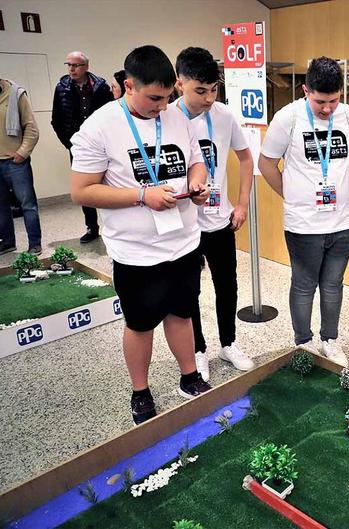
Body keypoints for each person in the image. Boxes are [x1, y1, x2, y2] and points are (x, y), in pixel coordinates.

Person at [70, 45, 211, 425]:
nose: (162, 106)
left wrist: (198, 183)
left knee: (182, 313)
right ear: (128, 85)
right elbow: (82, 190)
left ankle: (189, 375)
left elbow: (196, 161)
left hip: (182, 241)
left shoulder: (176, 116)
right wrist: (141, 195)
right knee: (140, 323)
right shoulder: (99, 126)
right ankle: (141, 391)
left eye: (168, 97)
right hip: (136, 252)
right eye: (154, 98)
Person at [259, 57, 349, 367]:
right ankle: (303, 342)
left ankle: (330, 339)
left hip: (342, 222)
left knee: (333, 284)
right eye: (320, 101)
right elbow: (267, 163)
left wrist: (337, 186)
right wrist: (292, 195)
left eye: (334, 100)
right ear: (306, 90)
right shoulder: (288, 117)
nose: (327, 108)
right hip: (303, 225)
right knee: (304, 285)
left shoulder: (346, 115)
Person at [174, 47, 255, 381]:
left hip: (220, 218)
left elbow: (246, 159)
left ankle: (229, 342)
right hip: (184, 224)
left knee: (227, 284)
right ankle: (198, 350)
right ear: (180, 84)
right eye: (200, 91)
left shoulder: (224, 116)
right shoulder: (167, 120)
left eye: (214, 90)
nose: (208, 98)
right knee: (189, 290)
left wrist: (242, 204)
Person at [52, 51, 114, 244]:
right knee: (85, 189)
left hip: (104, 145)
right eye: (68, 64)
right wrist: (70, 145)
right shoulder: (62, 88)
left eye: (75, 65)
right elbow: (56, 120)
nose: (71, 69)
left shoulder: (101, 87)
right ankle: (92, 228)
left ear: (86, 66)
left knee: (110, 185)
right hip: (79, 147)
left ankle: (114, 226)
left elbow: (111, 116)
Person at [0, 78, 41, 255]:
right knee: (0, 206)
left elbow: (31, 128)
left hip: (15, 162)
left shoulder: (16, 94)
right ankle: (7, 242)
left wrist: (22, 153)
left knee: (27, 204)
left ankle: (35, 243)